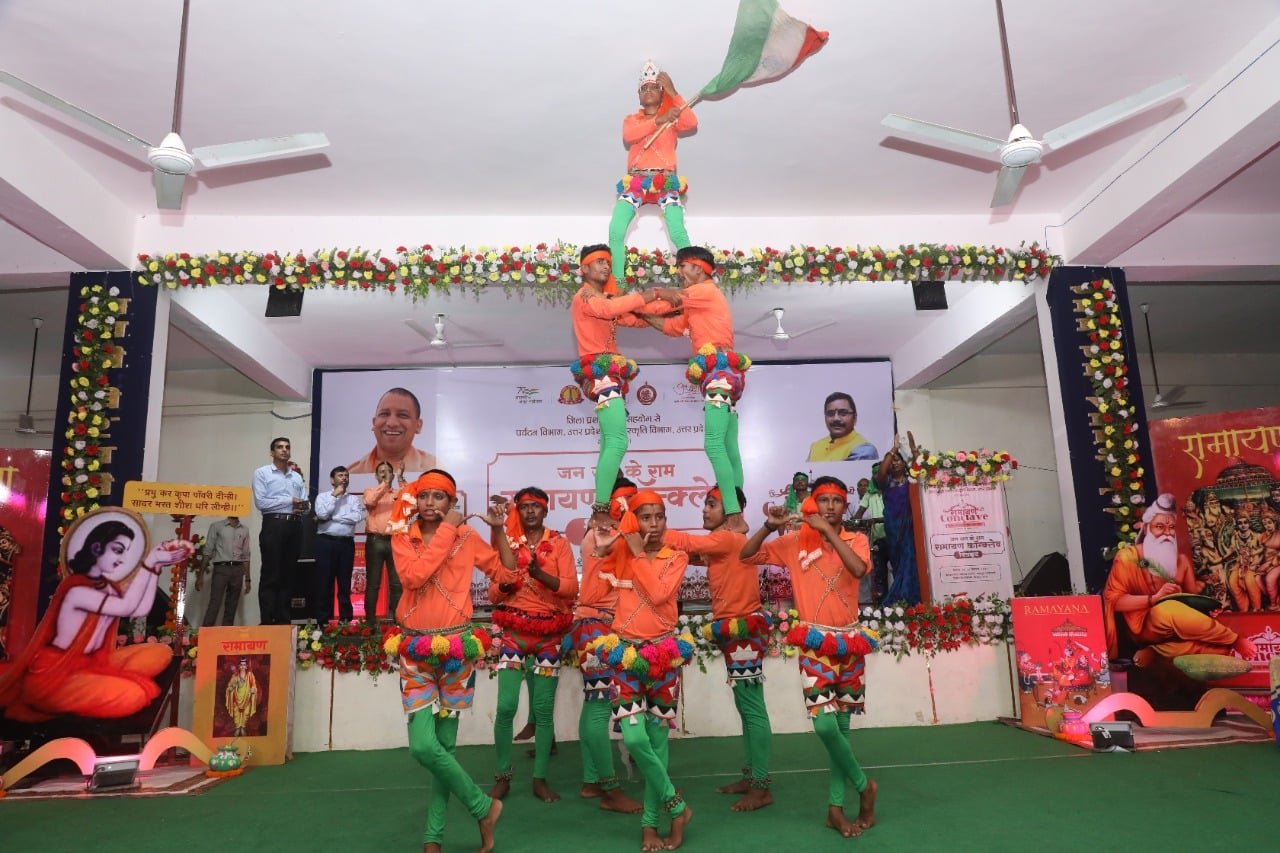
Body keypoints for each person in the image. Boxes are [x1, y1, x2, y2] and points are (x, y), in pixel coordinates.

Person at [740, 476, 879, 839]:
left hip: (850, 643)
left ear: (845, 505)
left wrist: (829, 532)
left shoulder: (857, 540)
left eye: (837, 500)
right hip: (815, 643)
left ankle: (835, 808)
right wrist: (768, 526)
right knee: (824, 726)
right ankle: (864, 786)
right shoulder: (795, 541)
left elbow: (859, 570)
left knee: (842, 730)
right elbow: (747, 555)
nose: (830, 506)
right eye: (824, 500)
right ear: (813, 504)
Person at [391, 469, 514, 853]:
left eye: (438, 497)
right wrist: (449, 529)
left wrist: (498, 531)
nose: (430, 503)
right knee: (422, 747)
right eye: (424, 495)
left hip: (458, 650)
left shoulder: (467, 538)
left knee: (444, 748)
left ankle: (433, 838)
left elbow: (507, 574)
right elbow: (414, 577)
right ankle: (483, 807)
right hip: (415, 651)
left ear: (452, 502)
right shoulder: (403, 537)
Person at [0, 509, 194, 721]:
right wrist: (149, 561)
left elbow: (139, 609)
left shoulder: (108, 587)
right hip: (56, 674)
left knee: (160, 652)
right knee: (134, 695)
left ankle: (102, 681)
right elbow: (126, 607)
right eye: (118, 550)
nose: (122, 560)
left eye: (126, 553)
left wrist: (156, 566)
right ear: (96, 547)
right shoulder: (76, 590)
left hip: (93, 663)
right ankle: (102, 686)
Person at [588, 490, 695, 852]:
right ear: (634, 521)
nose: (653, 524)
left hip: (664, 655)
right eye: (645, 517)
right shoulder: (620, 553)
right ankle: (677, 807)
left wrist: (634, 554)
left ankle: (650, 825)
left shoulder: (676, 556)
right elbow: (591, 593)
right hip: (626, 656)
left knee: (657, 743)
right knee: (634, 740)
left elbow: (660, 594)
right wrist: (601, 548)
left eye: (659, 516)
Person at [663, 485, 774, 812]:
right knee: (746, 706)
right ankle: (752, 776)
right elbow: (692, 554)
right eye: (706, 504)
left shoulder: (727, 538)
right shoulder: (728, 541)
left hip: (743, 632)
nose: (704, 510)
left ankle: (761, 786)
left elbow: (686, 543)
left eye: (711, 504)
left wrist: (646, 528)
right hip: (735, 630)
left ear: (731, 512)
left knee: (752, 708)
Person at [642, 245, 751, 533]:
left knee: (713, 445)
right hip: (724, 374)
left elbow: (669, 300)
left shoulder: (704, 291)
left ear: (698, 268)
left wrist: (630, 302)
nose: (679, 272)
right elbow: (672, 327)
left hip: (719, 373)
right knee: (728, 447)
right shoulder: (698, 302)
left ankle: (733, 515)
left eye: (682, 266)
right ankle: (737, 511)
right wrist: (642, 315)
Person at [569, 243, 679, 521]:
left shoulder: (604, 298)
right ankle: (600, 509)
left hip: (609, 373)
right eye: (599, 262)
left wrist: (677, 303)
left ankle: (600, 508)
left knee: (610, 443)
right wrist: (655, 292)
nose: (606, 266)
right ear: (584, 269)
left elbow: (635, 319)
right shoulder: (584, 296)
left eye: (608, 261)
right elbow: (610, 309)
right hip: (601, 372)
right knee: (618, 442)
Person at [489, 486, 579, 804]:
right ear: (517, 510)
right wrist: (505, 584)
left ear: (545, 510)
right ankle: (502, 777)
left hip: (548, 637)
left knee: (542, 711)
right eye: (524, 506)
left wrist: (540, 575)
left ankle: (539, 779)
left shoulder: (559, 544)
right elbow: (493, 594)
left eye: (535, 506)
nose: (529, 511)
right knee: (505, 707)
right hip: (513, 633)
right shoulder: (508, 543)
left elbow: (571, 589)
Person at [1103, 493, 1257, 667]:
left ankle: (1157, 652)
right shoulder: (1128, 557)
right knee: (1169, 609)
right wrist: (1154, 599)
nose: (1167, 533)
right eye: (1159, 527)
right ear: (1146, 528)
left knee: (1220, 649)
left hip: (1177, 629)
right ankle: (1234, 639)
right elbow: (1114, 601)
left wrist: (1205, 609)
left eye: (1171, 528)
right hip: (1144, 625)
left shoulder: (1181, 560)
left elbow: (1191, 598)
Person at [569, 478, 644, 815]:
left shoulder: (607, 532)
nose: (631, 509)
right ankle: (610, 789)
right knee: (600, 705)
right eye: (627, 503)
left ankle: (591, 779)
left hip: (595, 624)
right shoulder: (605, 534)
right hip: (597, 627)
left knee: (594, 703)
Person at [608, 60, 698, 286]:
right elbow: (629, 135)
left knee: (677, 231)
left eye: (654, 87)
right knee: (616, 230)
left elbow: (691, 123)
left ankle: (694, 282)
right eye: (644, 88)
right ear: (639, 95)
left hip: (665, 181)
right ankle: (618, 284)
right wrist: (659, 120)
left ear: (661, 92)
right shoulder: (632, 119)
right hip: (636, 182)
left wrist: (673, 92)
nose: (648, 91)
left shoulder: (672, 118)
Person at [252, 437, 309, 624]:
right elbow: (261, 503)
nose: (284, 450)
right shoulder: (262, 473)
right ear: (272, 452)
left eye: (287, 447)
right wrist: (289, 501)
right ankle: (267, 620)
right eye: (280, 447)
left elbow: (305, 503)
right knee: (271, 573)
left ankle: (284, 620)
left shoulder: (296, 477)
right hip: (274, 525)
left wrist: (303, 506)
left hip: (295, 525)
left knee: (289, 575)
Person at [314, 465, 365, 623]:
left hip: (346, 544)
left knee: (344, 584)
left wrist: (333, 518)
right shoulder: (323, 497)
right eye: (340, 475)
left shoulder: (353, 499)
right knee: (324, 584)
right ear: (332, 480)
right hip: (326, 543)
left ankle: (346, 622)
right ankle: (322, 623)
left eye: (346, 475)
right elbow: (322, 514)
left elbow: (356, 517)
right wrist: (334, 496)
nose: (344, 478)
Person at [347, 387, 438, 476]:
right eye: (384, 414)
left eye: (402, 415)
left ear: (418, 426)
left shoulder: (435, 469)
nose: (392, 423)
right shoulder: (353, 474)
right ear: (374, 423)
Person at [877, 436, 920, 606]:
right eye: (892, 461)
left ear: (904, 463)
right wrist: (893, 449)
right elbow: (882, 472)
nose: (894, 463)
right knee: (897, 563)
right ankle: (900, 603)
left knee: (911, 561)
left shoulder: (912, 481)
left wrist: (914, 451)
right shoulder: (886, 482)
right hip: (893, 529)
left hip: (911, 527)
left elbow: (922, 470)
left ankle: (911, 599)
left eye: (898, 460)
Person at [362, 460, 407, 619]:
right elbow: (370, 502)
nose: (385, 473)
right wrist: (385, 484)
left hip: (395, 540)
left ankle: (398, 622)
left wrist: (400, 478)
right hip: (376, 541)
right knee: (373, 584)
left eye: (388, 471)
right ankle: (370, 623)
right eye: (382, 471)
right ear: (376, 476)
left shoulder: (398, 493)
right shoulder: (370, 491)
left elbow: (410, 501)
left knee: (396, 584)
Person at [196, 515, 251, 627]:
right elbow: (208, 551)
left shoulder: (244, 530)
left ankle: (226, 633)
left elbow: (246, 555)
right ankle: (206, 633)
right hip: (221, 568)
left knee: (232, 605)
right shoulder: (217, 526)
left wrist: (248, 579)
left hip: (238, 569)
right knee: (215, 603)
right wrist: (200, 576)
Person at [852, 466, 889, 604]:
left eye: (880, 473)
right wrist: (853, 524)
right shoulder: (869, 493)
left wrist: (878, 520)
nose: (878, 476)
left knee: (895, 571)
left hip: (894, 537)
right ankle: (882, 605)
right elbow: (859, 513)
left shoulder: (890, 489)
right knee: (879, 574)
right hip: (877, 539)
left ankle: (896, 603)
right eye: (875, 474)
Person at [807, 393, 878, 462]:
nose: (836, 418)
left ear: (855, 418)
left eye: (843, 413)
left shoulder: (864, 450)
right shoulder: (816, 446)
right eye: (831, 413)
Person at [224, 657, 259, 737]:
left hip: (247, 697)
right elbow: (230, 686)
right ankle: (237, 727)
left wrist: (253, 689)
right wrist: (231, 688)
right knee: (237, 713)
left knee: (245, 713)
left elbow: (254, 685)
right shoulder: (235, 676)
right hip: (237, 698)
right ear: (239, 666)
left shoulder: (250, 675)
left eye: (244, 665)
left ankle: (242, 727)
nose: (243, 666)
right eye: (241, 665)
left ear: (246, 666)